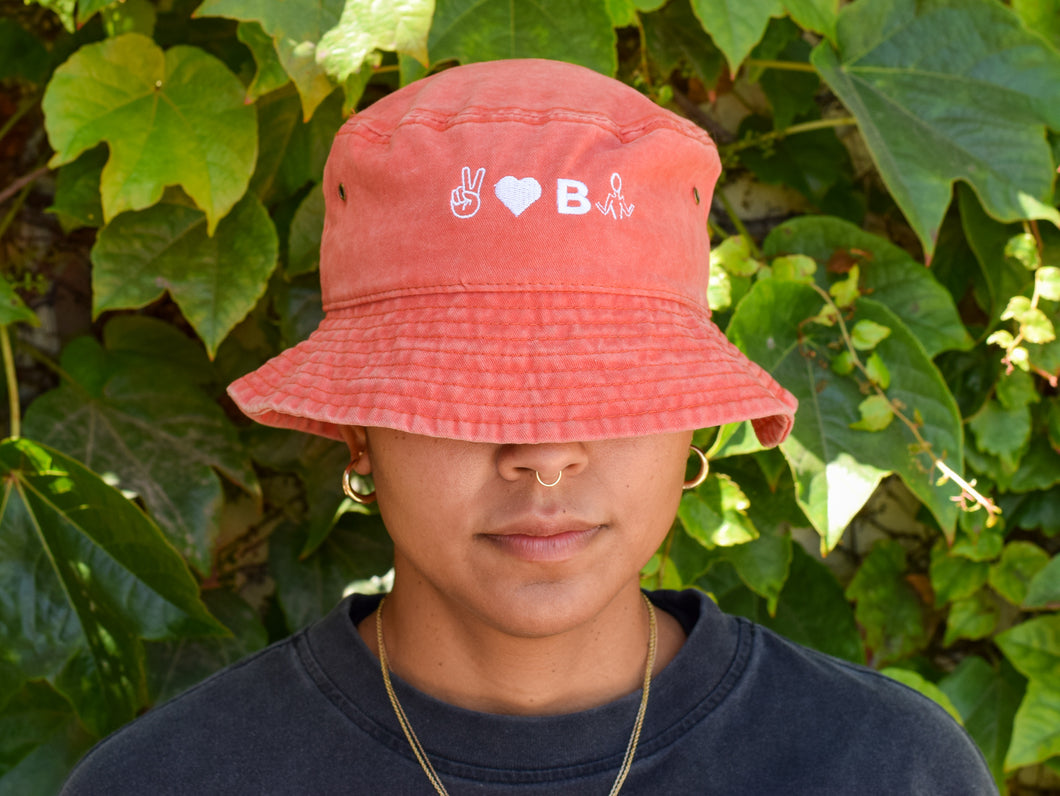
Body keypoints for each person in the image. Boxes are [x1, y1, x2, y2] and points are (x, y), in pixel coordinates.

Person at [61, 58, 997, 795]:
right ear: (359, 432)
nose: (545, 453)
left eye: (613, 383)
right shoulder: (169, 780)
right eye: (464, 387)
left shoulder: (884, 768)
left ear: (689, 428)